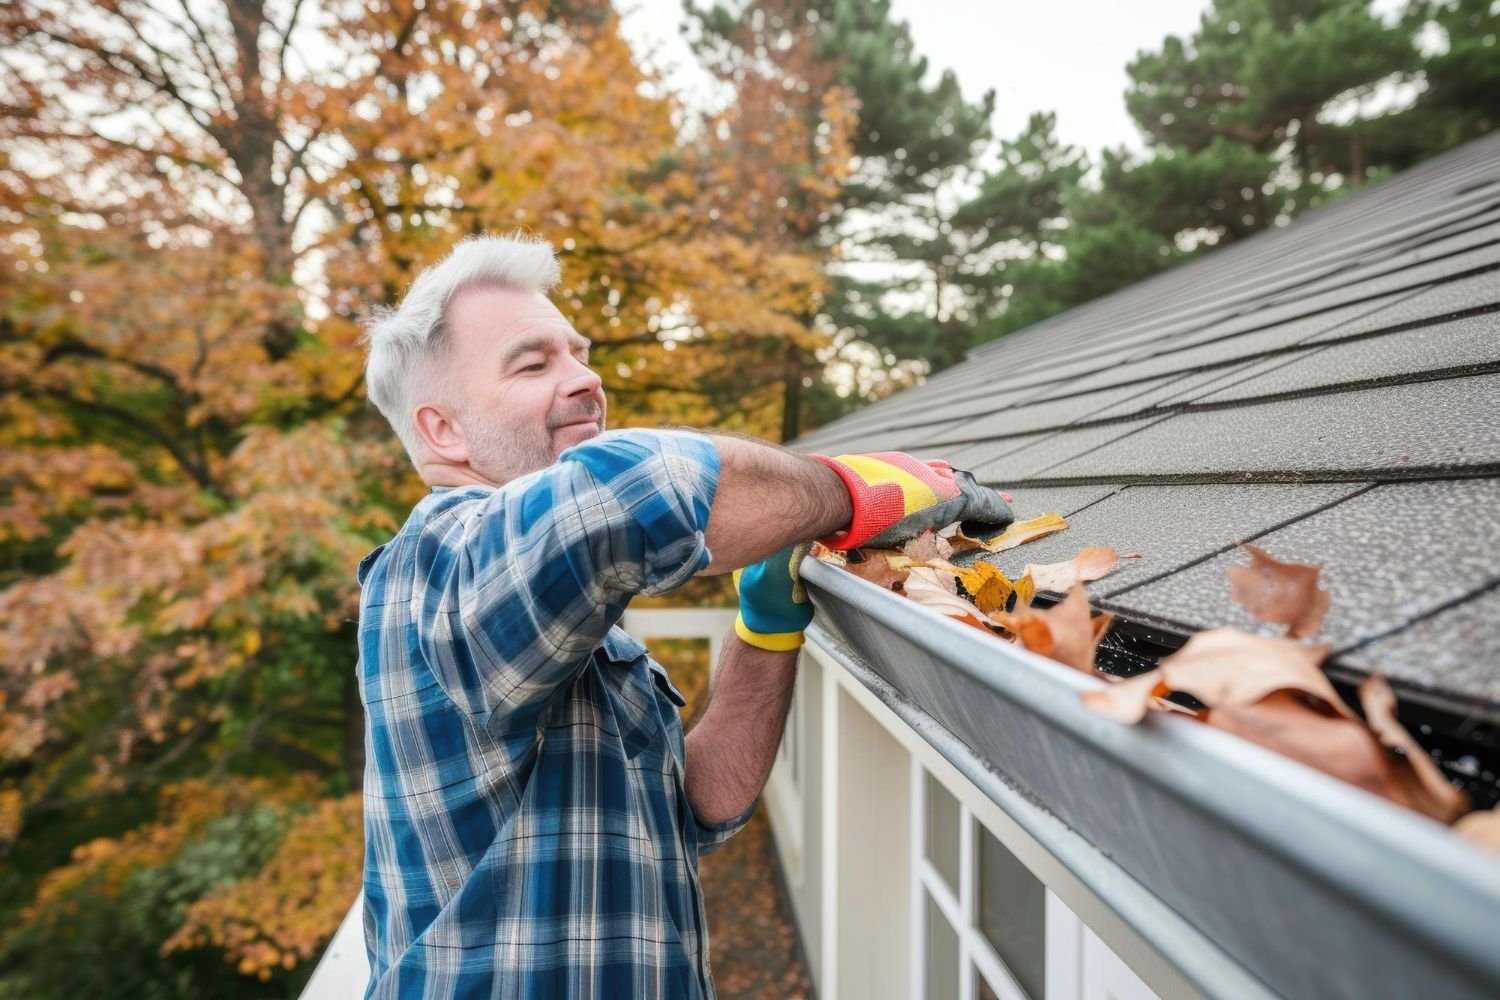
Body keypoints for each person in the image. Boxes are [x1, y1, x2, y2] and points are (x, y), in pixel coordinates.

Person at [354, 233, 1013, 999]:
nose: (587, 379)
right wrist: (854, 492)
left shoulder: (558, 626)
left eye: (579, 352)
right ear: (443, 431)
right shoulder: (432, 573)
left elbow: (695, 805)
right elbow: (627, 491)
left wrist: (765, 629)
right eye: (534, 363)